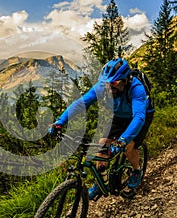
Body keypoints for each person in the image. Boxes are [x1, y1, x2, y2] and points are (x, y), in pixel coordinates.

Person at [49, 58, 154, 200]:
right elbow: (81, 103)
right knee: (102, 145)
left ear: (125, 80)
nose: (109, 88)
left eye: (115, 84)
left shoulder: (137, 89)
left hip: (141, 116)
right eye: (106, 84)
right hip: (119, 116)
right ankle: (100, 182)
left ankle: (136, 171)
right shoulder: (103, 86)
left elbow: (139, 118)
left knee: (129, 147)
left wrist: (122, 141)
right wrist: (60, 122)